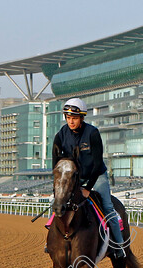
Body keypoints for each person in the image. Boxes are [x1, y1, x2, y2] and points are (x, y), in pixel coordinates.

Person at [53, 97, 126, 259]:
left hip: (96, 175)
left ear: (82, 118)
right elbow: (56, 165)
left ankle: (119, 246)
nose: (71, 122)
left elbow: (97, 161)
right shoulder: (60, 135)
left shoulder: (92, 133)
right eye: (68, 118)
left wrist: (87, 188)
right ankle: (51, 242)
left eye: (74, 118)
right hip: (73, 178)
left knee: (107, 207)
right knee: (60, 203)